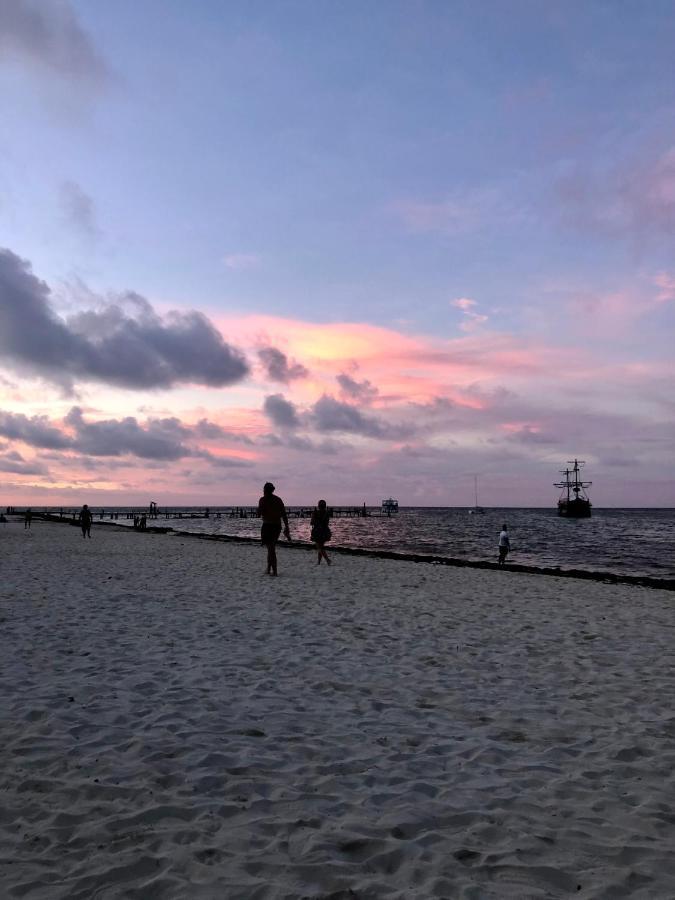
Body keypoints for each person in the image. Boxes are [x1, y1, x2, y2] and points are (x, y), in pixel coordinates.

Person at [257, 482, 290, 576]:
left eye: (264, 489)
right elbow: (284, 514)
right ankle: (268, 569)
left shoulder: (263, 500)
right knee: (270, 548)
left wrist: (287, 527)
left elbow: (258, 514)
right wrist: (287, 527)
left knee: (271, 549)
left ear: (265, 490)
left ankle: (274, 571)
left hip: (269, 526)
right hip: (276, 526)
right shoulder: (278, 500)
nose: (263, 491)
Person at [310, 499, 332, 565]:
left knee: (319, 547)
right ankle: (319, 562)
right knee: (321, 546)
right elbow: (327, 523)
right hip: (325, 531)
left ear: (318, 505)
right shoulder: (327, 513)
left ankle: (328, 560)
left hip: (317, 531)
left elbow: (312, 523)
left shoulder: (315, 512)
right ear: (325, 506)